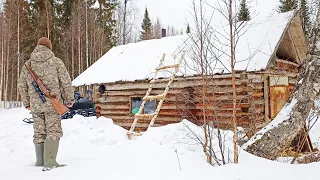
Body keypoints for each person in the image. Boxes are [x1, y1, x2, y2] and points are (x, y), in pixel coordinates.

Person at [17, 37, 74, 171]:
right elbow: (65, 81)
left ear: (37, 47)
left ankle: (40, 161)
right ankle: (50, 162)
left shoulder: (27, 65)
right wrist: (69, 99)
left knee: (39, 132)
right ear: (49, 47)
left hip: (36, 106)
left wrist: (27, 103)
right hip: (53, 104)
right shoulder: (56, 62)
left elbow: (21, 86)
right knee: (53, 131)